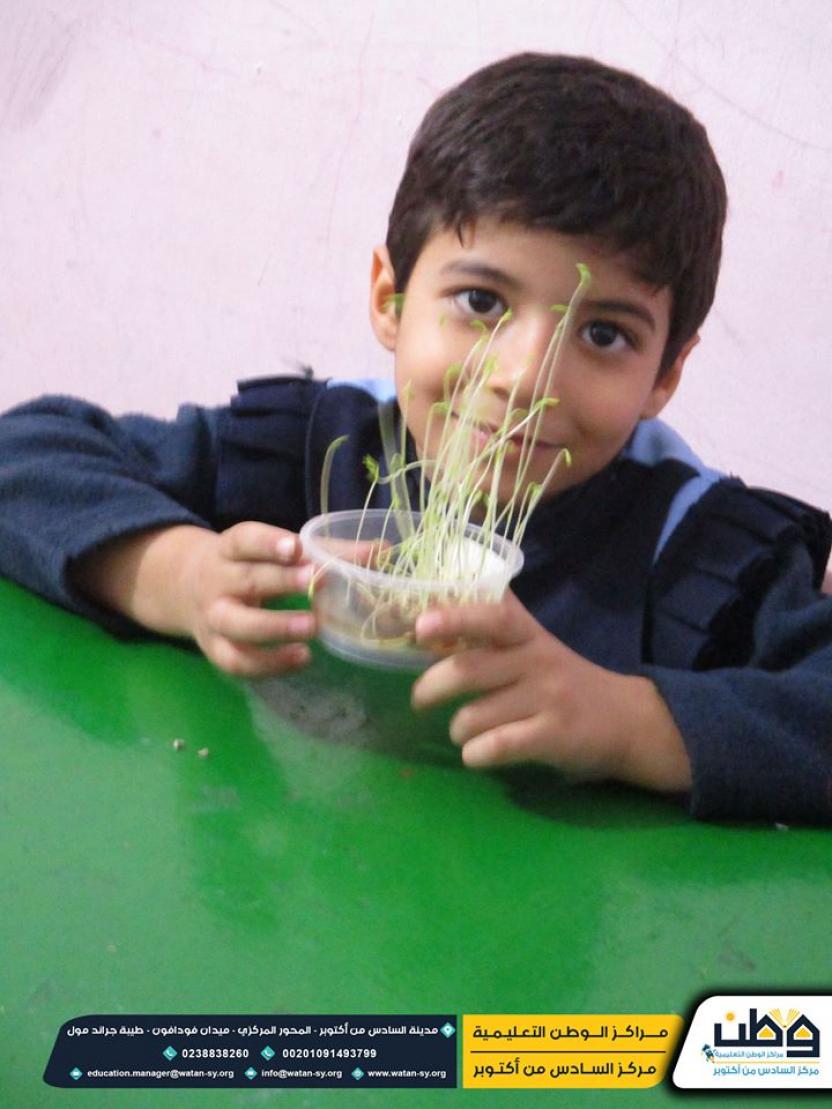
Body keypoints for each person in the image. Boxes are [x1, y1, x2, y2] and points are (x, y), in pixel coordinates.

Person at [1, 54, 830, 824]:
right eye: (480, 302)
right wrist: (178, 575)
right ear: (391, 301)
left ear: (665, 375)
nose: (523, 380)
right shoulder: (307, 445)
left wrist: (628, 722)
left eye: (605, 335)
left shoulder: (696, 553)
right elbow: (27, 453)